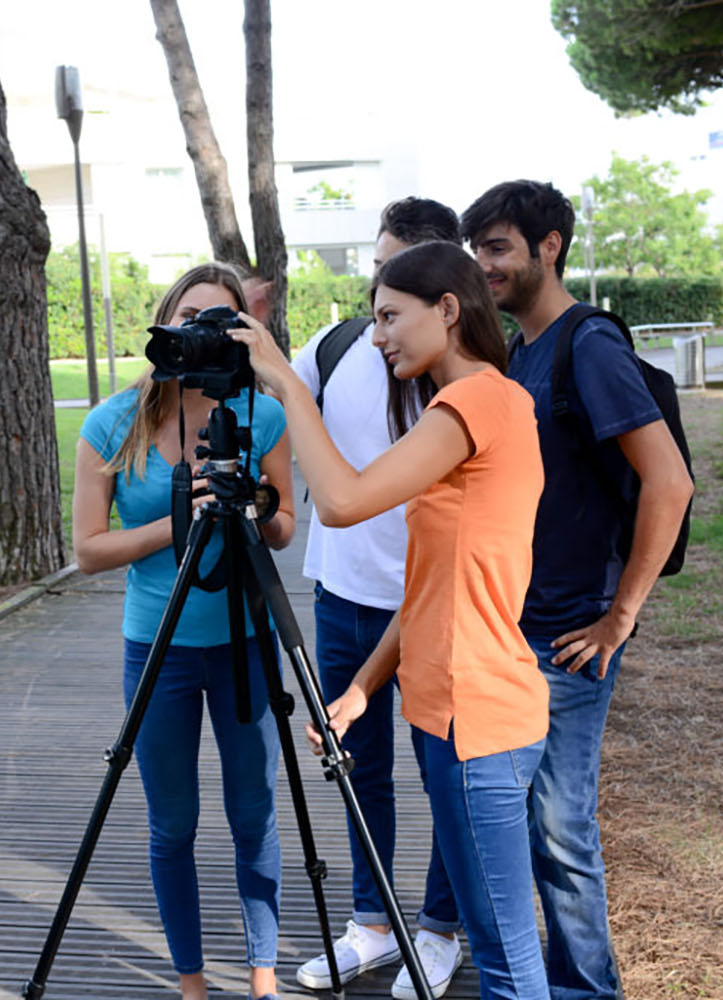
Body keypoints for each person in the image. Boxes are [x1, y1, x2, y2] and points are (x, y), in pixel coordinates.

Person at [228, 240, 551, 999]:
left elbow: (339, 504)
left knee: (507, 964)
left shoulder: (474, 402)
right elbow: (434, 589)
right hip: (457, 712)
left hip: (480, 719)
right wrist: (366, 689)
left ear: (447, 308)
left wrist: (284, 381)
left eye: (389, 317)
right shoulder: (482, 404)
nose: (377, 337)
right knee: (500, 949)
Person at [460, 181, 694, 1000]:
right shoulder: (521, 349)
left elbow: (668, 482)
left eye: (497, 248)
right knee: (524, 826)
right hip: (514, 625)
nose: (483, 264)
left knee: (559, 832)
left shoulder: (586, 346)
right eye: (476, 249)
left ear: (548, 246)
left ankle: (588, 991)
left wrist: (618, 617)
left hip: (566, 635)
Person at [72, 261, 297, 1000]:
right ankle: (192, 982)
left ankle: (263, 974)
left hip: (244, 640)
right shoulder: (111, 422)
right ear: (166, 323)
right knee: (172, 823)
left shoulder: (262, 414)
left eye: (223, 322)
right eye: (192, 318)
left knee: (253, 814)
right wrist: (179, 523)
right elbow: (88, 552)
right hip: (158, 647)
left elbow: (286, 528)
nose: (205, 335)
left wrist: (253, 503)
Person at [289, 198, 467, 1000]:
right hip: (344, 597)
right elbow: (261, 416)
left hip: (433, 603)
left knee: (447, 774)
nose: (382, 305)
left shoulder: (463, 374)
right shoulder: (332, 348)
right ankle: (372, 922)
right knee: (357, 767)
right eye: (378, 272)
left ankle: (438, 929)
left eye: (402, 282)